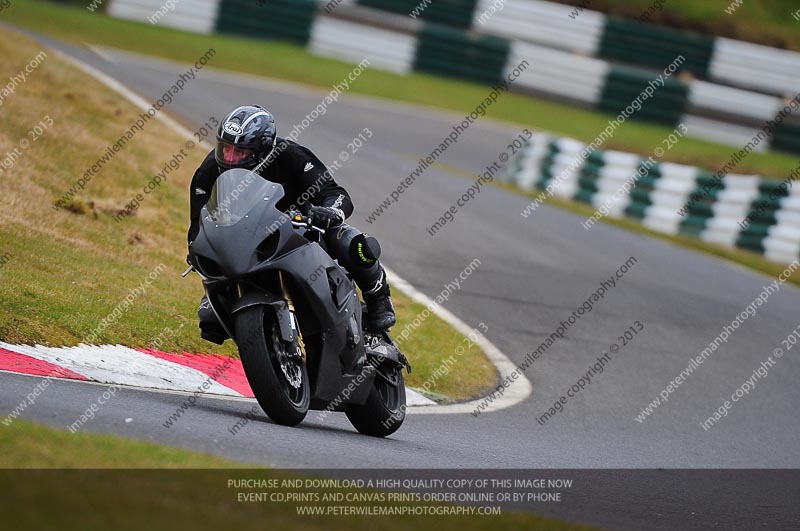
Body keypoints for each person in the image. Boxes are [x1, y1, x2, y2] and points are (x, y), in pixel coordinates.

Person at [187, 105, 395, 344]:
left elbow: (335, 193)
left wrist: (330, 212)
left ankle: (378, 297)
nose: (230, 158)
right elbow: (198, 225)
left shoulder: (291, 156)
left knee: (351, 241)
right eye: (226, 148)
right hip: (247, 241)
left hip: (301, 229)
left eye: (240, 152)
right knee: (210, 314)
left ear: (263, 149)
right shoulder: (209, 170)